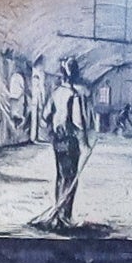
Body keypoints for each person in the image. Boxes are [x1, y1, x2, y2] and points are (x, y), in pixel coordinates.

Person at [44, 70, 93, 232]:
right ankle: (64, 217)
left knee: (60, 176)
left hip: (57, 140)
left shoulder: (55, 93)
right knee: (70, 178)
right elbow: (78, 122)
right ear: (74, 76)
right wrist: (84, 143)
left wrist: (53, 132)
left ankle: (58, 214)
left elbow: (45, 114)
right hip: (70, 140)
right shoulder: (74, 95)